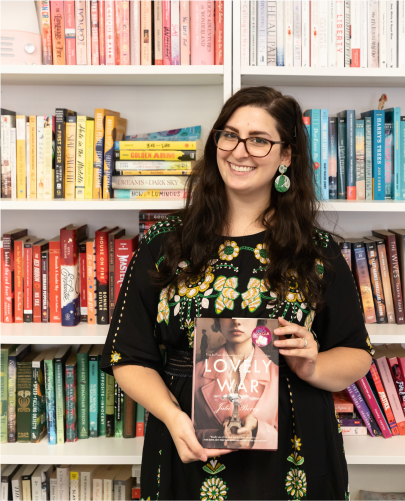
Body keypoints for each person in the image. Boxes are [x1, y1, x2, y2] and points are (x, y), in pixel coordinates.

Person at [100, 86, 374, 500]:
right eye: (229, 135)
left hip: (295, 456)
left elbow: (357, 353)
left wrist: (312, 364)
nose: (239, 151)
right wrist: (174, 420)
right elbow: (127, 355)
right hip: (188, 445)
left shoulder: (317, 251)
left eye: (259, 140)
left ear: (287, 156)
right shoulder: (165, 243)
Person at [192, 318, 279, 450]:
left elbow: (287, 436)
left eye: (247, 312)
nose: (236, 320)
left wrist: (256, 432)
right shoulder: (197, 371)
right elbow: (189, 433)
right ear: (218, 320)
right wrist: (217, 438)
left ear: (259, 319)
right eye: (227, 312)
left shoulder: (276, 374)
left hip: (262, 464)